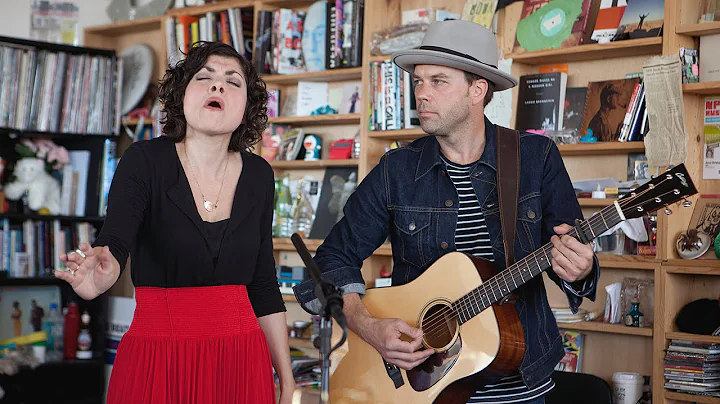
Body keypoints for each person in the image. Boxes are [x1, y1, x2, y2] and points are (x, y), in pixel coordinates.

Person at [294, 20, 600, 403]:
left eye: (438, 81)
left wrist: (581, 269)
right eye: (418, 81)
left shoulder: (535, 160)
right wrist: (367, 325)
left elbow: (574, 254)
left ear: (478, 89)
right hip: (422, 385)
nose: (421, 93)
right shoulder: (396, 170)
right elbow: (331, 260)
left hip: (519, 379)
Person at [54, 41, 295, 404]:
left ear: (247, 106)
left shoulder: (260, 175)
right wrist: (104, 270)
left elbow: (262, 282)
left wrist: (288, 381)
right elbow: (115, 239)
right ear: (181, 95)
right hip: (158, 356)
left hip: (242, 361)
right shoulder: (144, 161)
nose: (218, 87)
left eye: (233, 82)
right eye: (205, 78)